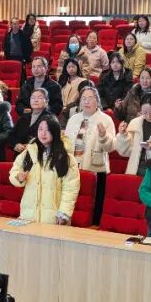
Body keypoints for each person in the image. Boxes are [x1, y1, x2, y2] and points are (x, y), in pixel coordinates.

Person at [10, 115, 80, 224]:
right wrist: (18, 177)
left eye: (48, 130)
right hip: (28, 216)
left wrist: (64, 213)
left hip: (53, 218)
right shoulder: (28, 152)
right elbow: (14, 172)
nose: (43, 133)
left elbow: (71, 188)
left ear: (55, 131)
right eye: (40, 129)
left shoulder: (65, 157)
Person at [64, 86, 116, 224]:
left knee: (94, 205)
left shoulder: (106, 119)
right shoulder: (73, 119)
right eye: (84, 99)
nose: (86, 101)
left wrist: (103, 136)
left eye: (90, 98)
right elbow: (67, 144)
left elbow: (111, 147)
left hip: (96, 169)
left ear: (97, 101)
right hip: (74, 167)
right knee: (75, 201)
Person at [115, 93, 151, 176]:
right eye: (144, 113)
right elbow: (124, 152)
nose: (148, 116)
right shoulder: (135, 123)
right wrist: (123, 135)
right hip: (135, 169)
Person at [11, 88, 52, 154]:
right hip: (20, 155)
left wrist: (30, 147)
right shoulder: (24, 117)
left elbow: (50, 140)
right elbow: (11, 135)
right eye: (33, 98)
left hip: (41, 155)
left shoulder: (50, 119)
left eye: (40, 98)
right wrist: (16, 145)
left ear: (46, 101)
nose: (36, 100)